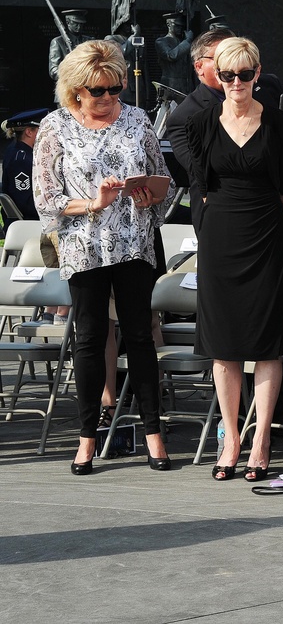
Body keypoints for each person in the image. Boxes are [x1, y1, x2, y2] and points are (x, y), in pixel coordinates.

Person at [33, 39, 175, 475]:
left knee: (140, 336)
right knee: (91, 340)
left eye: (115, 88)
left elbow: (163, 177)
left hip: (134, 243)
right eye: (99, 90)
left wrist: (150, 196)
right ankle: (86, 440)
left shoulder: (137, 119)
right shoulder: (55, 127)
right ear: (76, 89)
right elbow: (46, 199)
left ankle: (154, 435)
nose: (109, 97)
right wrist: (93, 203)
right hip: (84, 246)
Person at [185, 36, 283, 483]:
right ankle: (231, 437)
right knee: (224, 346)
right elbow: (199, 183)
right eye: (227, 75)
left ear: (257, 72)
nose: (236, 83)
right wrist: (211, 225)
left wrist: (269, 219)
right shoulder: (201, 123)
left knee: (268, 343)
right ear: (217, 77)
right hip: (220, 238)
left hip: (268, 235)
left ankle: (261, 439)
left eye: (245, 74)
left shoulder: (279, 123)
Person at [165, 28, 283, 233]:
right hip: (225, 225)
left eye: (236, 51)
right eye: (222, 56)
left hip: (282, 218)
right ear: (200, 66)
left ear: (256, 72)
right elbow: (203, 174)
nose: (233, 63)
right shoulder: (186, 117)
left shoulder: (268, 85)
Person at [1, 108, 47, 227]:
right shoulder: (21, 160)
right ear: (29, 132)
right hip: (29, 224)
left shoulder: (18, 151)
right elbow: (26, 202)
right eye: (41, 129)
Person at [48, 9, 94, 82]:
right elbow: (53, 70)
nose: (79, 26)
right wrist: (71, 75)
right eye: (75, 23)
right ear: (68, 22)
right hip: (68, 87)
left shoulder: (89, 41)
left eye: (81, 24)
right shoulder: (57, 42)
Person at [155, 13, 194, 94]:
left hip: (185, 86)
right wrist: (187, 41)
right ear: (169, 24)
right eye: (177, 25)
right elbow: (171, 56)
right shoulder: (161, 41)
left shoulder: (183, 43)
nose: (179, 28)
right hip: (170, 85)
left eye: (181, 26)